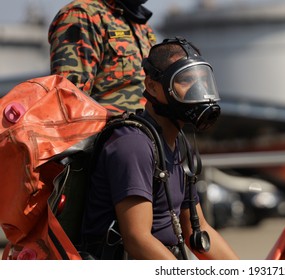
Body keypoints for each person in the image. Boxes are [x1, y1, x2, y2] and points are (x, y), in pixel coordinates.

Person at [79, 37, 239, 260]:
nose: (198, 91)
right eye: (186, 81)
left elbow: (197, 228)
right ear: (152, 87)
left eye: (203, 81)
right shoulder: (133, 144)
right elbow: (137, 239)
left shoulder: (180, 144)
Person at [48, 0, 157, 113]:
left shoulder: (140, 23)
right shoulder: (82, 15)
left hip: (149, 126)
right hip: (111, 127)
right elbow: (70, 101)